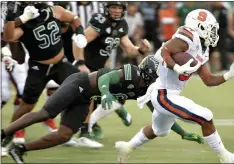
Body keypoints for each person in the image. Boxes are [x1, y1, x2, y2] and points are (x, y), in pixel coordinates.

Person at [1, 55, 202, 164]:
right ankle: (4, 133)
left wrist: (183, 133)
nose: (157, 78)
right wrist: (105, 92)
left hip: (85, 97)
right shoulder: (132, 72)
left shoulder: (145, 90)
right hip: (79, 84)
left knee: (64, 135)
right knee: (46, 113)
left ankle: (20, 149)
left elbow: (159, 111)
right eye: (155, 74)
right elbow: (105, 78)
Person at [115, 9, 234, 163]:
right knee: (206, 117)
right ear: (198, 26)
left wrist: (228, 75)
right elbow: (165, 50)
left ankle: (127, 147)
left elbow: (208, 80)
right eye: (210, 28)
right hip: (163, 94)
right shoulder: (188, 36)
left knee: (160, 130)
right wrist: (176, 68)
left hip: (168, 94)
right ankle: (227, 158)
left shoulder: (203, 49)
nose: (213, 32)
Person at [2, 2, 87, 147]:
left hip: (60, 65)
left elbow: (74, 17)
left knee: (83, 88)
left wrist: (79, 31)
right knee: (26, 107)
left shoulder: (53, 11)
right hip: (39, 68)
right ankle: (5, 137)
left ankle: (69, 131)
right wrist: (12, 18)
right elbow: (9, 37)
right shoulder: (23, 23)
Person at [73, 1, 151, 143]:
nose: (116, 11)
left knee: (121, 91)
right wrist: (80, 62)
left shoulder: (121, 25)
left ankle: (115, 110)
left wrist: (140, 49)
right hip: (86, 66)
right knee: (87, 98)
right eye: (113, 7)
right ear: (107, 9)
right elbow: (79, 41)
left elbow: (129, 49)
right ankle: (84, 133)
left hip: (100, 69)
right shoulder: (101, 21)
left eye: (119, 8)